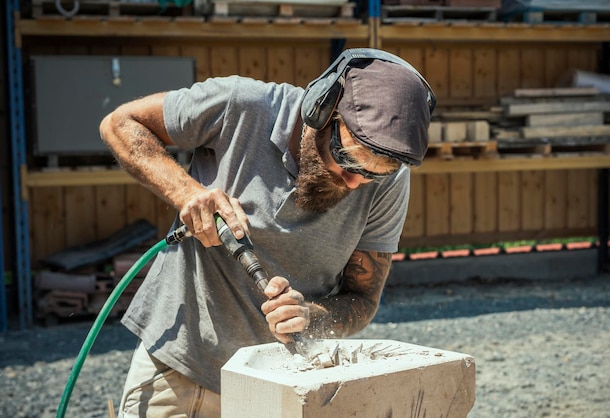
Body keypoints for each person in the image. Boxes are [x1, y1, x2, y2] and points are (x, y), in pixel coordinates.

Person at [99, 47, 435, 417]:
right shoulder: (243, 106)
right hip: (183, 366)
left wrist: (309, 316)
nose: (356, 182)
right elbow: (120, 123)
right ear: (322, 108)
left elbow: (363, 300)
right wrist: (187, 193)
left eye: (374, 173)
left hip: (283, 380)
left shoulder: (386, 181)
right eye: (348, 158)